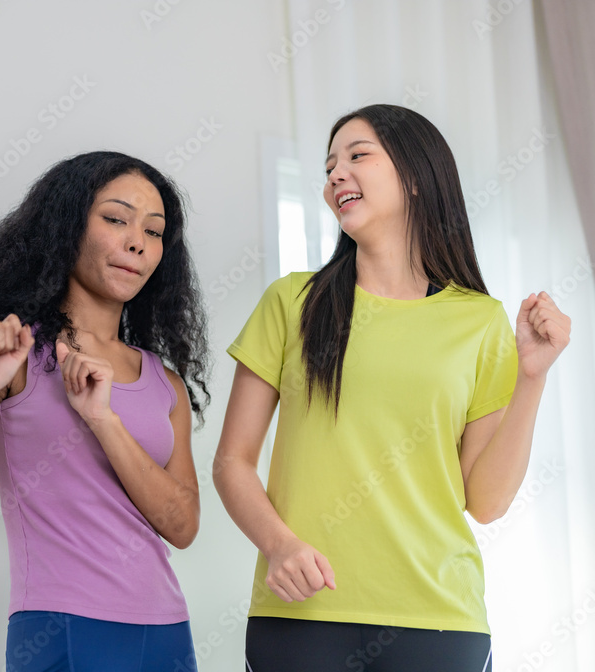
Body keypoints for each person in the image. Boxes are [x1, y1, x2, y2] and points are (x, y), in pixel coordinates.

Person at [214, 104, 571, 672]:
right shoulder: (291, 302)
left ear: (416, 175)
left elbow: (486, 502)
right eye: (329, 166)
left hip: (439, 620)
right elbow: (232, 461)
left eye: (358, 156)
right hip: (302, 616)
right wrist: (279, 545)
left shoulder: (480, 320)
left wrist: (532, 378)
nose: (336, 174)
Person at [0, 151, 211, 672]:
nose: (137, 242)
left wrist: (103, 420)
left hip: (167, 630)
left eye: (153, 232)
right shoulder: (13, 354)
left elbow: (183, 525)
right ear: (66, 227)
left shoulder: (164, 381)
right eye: (116, 219)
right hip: (62, 627)